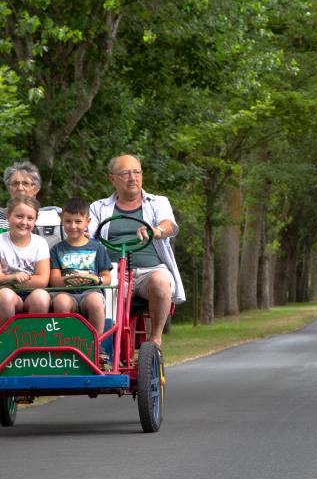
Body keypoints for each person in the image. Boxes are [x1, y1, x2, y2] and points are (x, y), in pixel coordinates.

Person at [88, 154, 185, 347]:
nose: (133, 178)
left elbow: (169, 225)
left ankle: (155, 339)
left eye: (137, 172)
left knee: (160, 281)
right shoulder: (98, 207)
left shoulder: (158, 202)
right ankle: (105, 348)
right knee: (100, 294)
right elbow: (88, 237)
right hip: (113, 272)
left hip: (150, 271)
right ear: (112, 179)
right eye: (125, 173)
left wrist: (155, 231)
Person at [49, 198, 112, 360]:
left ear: (87, 222)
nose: (73, 226)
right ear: (61, 220)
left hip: (90, 291)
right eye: (68, 221)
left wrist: (93, 279)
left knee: (95, 302)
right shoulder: (57, 249)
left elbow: (106, 278)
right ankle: (65, 345)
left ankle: (95, 346)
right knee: (61, 302)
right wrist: (69, 279)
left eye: (78, 221)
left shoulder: (97, 247)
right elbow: (55, 280)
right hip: (65, 292)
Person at [0, 196, 51, 322]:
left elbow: (42, 280)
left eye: (30, 218)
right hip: (5, 294)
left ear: (35, 220)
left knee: (41, 297)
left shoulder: (40, 243)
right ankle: (6, 339)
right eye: (19, 216)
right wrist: (12, 277)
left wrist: (8, 280)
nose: (24, 222)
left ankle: (33, 338)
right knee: (5, 296)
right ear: (8, 216)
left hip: (32, 294)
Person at [0, 160, 62, 247]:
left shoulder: (56, 216)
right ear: (9, 188)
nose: (20, 188)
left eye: (25, 183)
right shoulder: (1, 216)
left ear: (36, 188)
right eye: (15, 183)